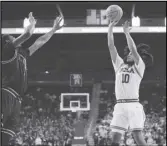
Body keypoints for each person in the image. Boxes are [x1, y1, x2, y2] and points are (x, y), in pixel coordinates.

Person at [1, 12, 64, 146]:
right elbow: (28, 35)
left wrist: (53, 30)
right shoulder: (6, 50)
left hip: (17, 100)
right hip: (6, 94)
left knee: (5, 139)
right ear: (7, 42)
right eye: (13, 37)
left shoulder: (22, 53)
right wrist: (32, 25)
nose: (15, 38)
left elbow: (38, 42)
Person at [107, 20, 153, 146]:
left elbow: (133, 48)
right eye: (128, 53)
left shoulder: (139, 67)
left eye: (132, 54)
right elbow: (111, 47)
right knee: (115, 139)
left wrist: (126, 33)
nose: (129, 54)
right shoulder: (119, 65)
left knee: (137, 136)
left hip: (133, 104)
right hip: (120, 105)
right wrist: (110, 27)